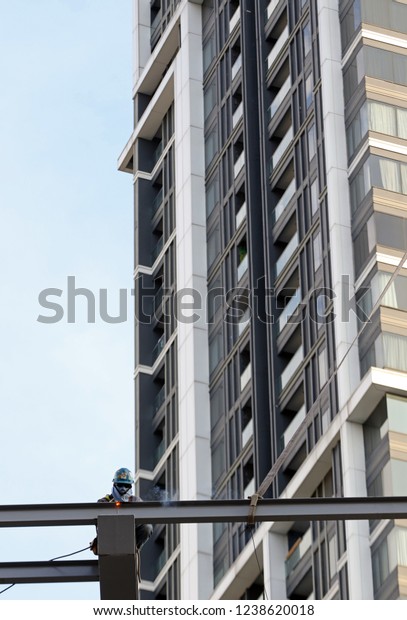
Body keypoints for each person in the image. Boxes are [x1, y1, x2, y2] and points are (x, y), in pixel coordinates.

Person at [91, 467, 153, 554]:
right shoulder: (103, 501)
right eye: (120, 485)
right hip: (111, 536)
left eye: (126, 485)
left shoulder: (136, 501)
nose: (123, 489)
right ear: (114, 485)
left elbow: (143, 518)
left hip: (130, 536)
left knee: (147, 527)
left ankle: (134, 549)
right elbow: (100, 524)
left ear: (130, 486)